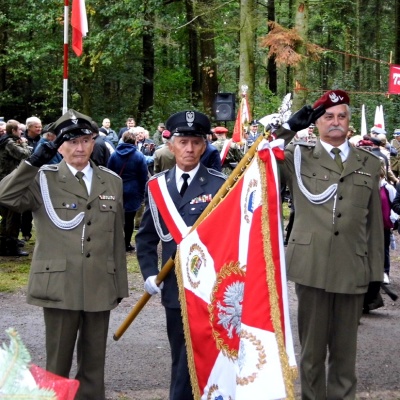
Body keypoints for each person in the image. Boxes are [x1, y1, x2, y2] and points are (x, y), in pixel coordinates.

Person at [0, 109, 128, 400]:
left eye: (85, 140)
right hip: (59, 283)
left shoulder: (111, 181)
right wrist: (32, 161)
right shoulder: (42, 178)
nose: (79, 148)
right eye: (71, 142)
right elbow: (6, 196)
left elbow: (117, 238)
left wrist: (119, 284)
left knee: (94, 366)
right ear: (58, 145)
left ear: (94, 141)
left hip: (99, 282)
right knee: (57, 363)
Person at [276, 89, 384, 400]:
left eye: (341, 116)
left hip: (352, 266)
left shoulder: (369, 163)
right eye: (327, 117)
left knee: (345, 355)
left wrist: (375, 273)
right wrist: (291, 127)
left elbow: (373, 224)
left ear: (350, 123)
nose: (335, 122)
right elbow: (261, 154)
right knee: (311, 355)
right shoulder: (298, 156)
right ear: (317, 122)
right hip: (311, 267)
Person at [135, 110, 226, 400]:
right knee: (181, 357)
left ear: (205, 145)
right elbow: (147, 236)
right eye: (182, 141)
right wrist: (149, 273)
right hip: (174, 286)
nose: (189, 149)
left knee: (213, 357)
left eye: (196, 142)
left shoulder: (221, 183)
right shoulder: (156, 186)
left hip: (211, 288)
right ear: (170, 144)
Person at [107, 129, 148, 251]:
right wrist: (142, 192)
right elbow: (143, 175)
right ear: (134, 141)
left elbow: (109, 173)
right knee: (129, 219)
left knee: (117, 218)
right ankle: (126, 244)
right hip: (133, 190)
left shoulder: (114, 155)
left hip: (117, 189)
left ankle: (116, 242)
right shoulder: (139, 156)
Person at [0, 120, 31, 256]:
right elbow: (25, 155)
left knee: (7, 215)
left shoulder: (4, 141)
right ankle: (11, 246)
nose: (21, 132)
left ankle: (4, 244)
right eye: (19, 130)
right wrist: (24, 143)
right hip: (9, 182)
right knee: (13, 214)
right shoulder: (9, 143)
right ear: (13, 131)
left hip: (5, 181)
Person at [21, 116, 43, 241]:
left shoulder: (42, 140)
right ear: (29, 127)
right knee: (27, 207)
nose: (39, 128)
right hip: (27, 176)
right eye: (36, 126)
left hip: (39, 175)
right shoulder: (22, 140)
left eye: (40, 126)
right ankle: (25, 232)